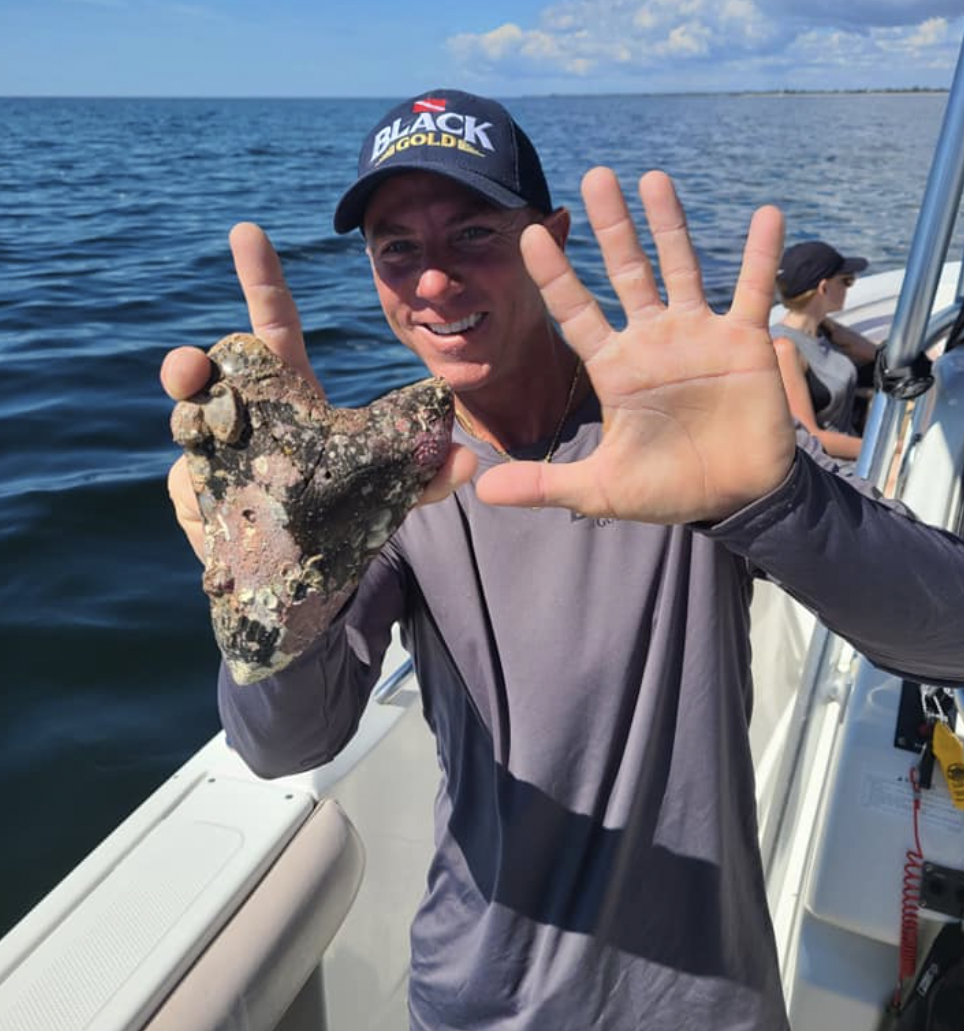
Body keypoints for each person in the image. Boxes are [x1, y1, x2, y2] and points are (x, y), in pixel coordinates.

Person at [161, 89, 964, 1031]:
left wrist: (776, 499)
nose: (432, 283)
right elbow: (285, 744)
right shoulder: (383, 476)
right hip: (472, 1004)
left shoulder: (674, 423)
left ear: (551, 237)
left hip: (705, 1004)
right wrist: (270, 596)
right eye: (397, 249)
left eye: (472, 235)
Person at [771, 240, 878, 459]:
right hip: (833, 465)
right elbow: (809, 437)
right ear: (824, 288)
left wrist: (836, 330)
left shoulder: (823, 331)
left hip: (855, 444)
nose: (849, 287)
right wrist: (885, 449)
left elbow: (881, 357)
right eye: (847, 281)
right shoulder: (785, 349)